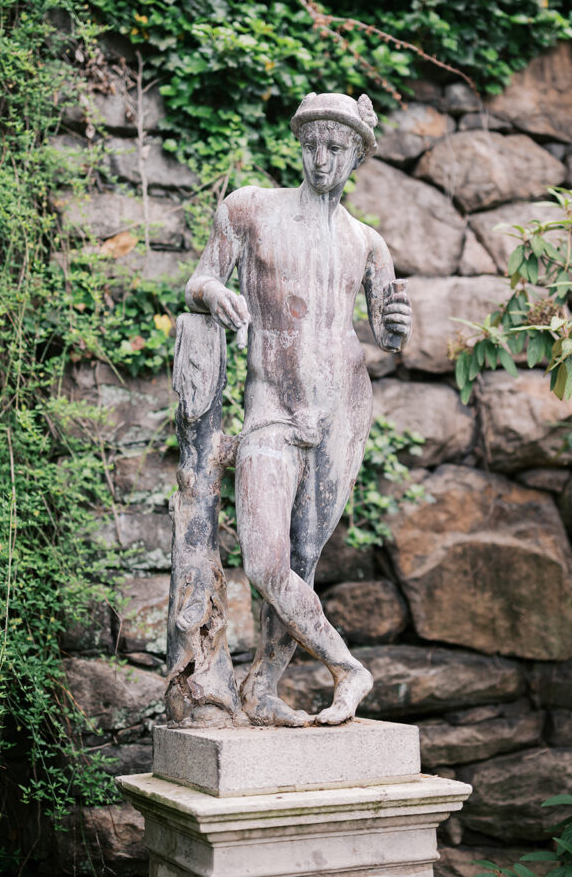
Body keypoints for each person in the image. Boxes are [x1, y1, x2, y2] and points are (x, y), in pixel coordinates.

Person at [185, 92, 411, 726]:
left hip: (341, 411)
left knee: (303, 562)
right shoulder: (252, 208)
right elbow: (201, 278)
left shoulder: (367, 242)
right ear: (299, 145)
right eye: (311, 144)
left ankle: (263, 690)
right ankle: (349, 666)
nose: (321, 159)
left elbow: (385, 331)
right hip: (272, 410)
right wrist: (213, 296)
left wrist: (396, 323)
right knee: (266, 561)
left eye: (335, 148)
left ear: (357, 155)